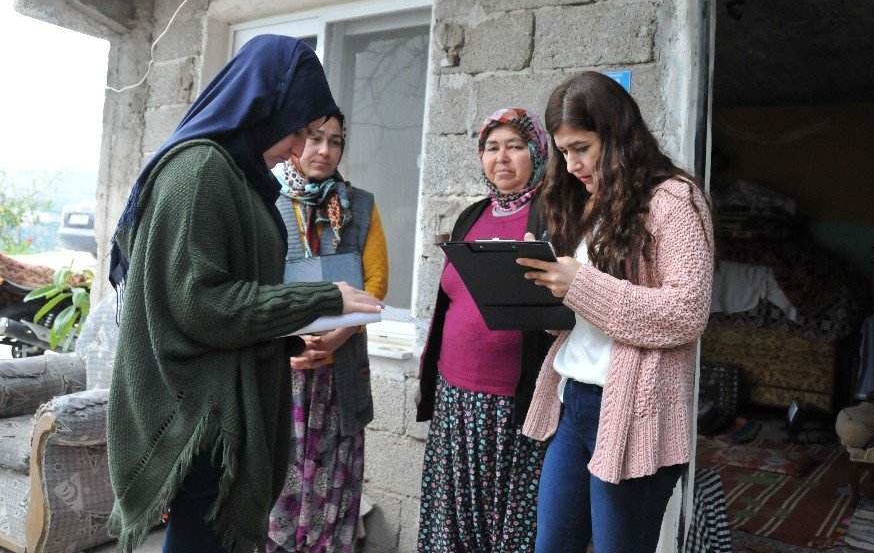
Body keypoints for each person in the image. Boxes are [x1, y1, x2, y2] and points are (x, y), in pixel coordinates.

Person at [106, 35, 383, 553]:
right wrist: (318, 300)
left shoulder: (236, 174)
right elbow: (200, 303)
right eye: (299, 130)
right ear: (264, 105)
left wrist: (285, 336)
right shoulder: (199, 170)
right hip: (203, 418)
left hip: (221, 410)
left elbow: (232, 291)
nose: (302, 149)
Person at [517, 71, 715, 553]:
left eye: (581, 147)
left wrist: (578, 284)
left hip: (635, 411)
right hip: (573, 403)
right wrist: (537, 288)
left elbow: (687, 311)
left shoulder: (673, 200)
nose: (572, 164)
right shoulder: (589, 205)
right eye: (563, 152)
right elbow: (582, 318)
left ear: (618, 134)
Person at [415, 108, 555, 552]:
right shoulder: (470, 216)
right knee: (452, 522)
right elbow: (447, 300)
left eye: (515, 146)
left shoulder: (554, 216)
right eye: (492, 147)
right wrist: (428, 376)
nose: (503, 158)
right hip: (455, 396)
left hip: (513, 405)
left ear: (536, 151)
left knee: (510, 524)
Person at [268, 110, 389, 552]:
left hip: (340, 374)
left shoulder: (360, 205)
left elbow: (375, 285)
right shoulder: (266, 199)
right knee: (276, 489)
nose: (324, 150)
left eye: (335, 141)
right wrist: (289, 342)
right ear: (296, 140)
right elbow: (252, 286)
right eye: (315, 138)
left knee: (335, 491)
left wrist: (339, 335)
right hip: (281, 371)